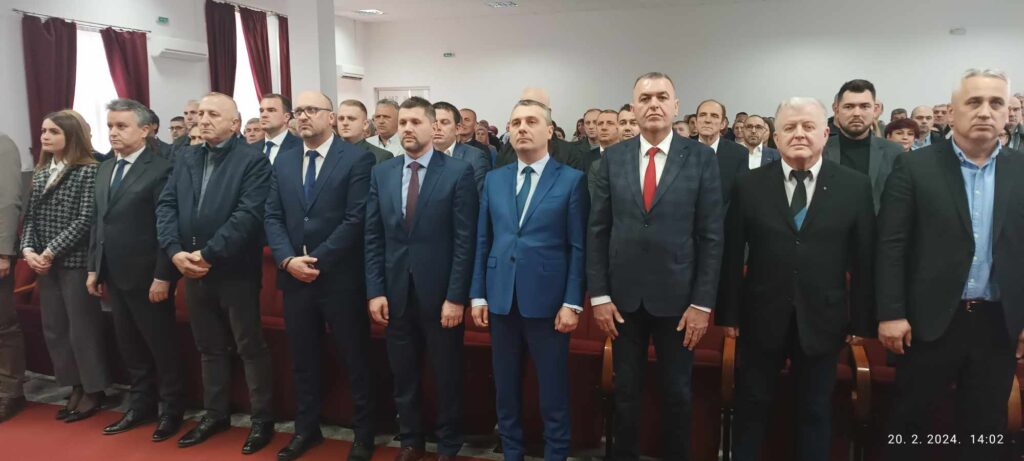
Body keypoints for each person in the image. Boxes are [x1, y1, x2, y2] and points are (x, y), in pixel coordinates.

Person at [717, 97, 876, 461]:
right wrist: (728, 314)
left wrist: (862, 319)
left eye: (808, 126)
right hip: (760, 317)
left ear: (825, 133)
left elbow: (864, 258)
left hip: (824, 319)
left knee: (815, 410)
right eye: (789, 127)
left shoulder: (854, 186)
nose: (799, 134)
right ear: (775, 137)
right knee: (752, 406)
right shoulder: (749, 185)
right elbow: (731, 252)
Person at [878, 68, 1024, 461]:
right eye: (974, 102)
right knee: (911, 429)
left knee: (985, 433)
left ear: (1008, 113)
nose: (985, 111)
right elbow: (891, 244)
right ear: (954, 110)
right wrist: (891, 313)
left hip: (997, 324)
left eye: (996, 103)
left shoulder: (1020, 169)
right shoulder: (915, 167)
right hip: (927, 324)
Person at [588, 72, 724, 460]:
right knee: (625, 391)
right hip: (622, 301)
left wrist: (702, 303)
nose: (653, 104)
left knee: (677, 392)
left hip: (680, 302)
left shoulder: (700, 158)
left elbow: (712, 235)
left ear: (676, 107)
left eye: (662, 97)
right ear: (633, 108)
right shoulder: (614, 158)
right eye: (645, 98)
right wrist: (599, 295)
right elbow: (598, 229)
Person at [155, 92, 275, 454]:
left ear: (235, 124)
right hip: (191, 268)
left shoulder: (252, 160)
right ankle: (215, 414)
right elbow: (167, 205)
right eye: (201, 113)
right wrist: (175, 252)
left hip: (234, 270)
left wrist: (208, 254)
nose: (203, 119)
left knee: (249, 346)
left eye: (213, 114)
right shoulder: (186, 156)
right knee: (209, 347)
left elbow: (248, 215)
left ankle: (262, 420)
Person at [470, 99, 588, 461]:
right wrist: (478, 294)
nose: (522, 128)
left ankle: (556, 454)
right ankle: (511, 453)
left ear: (549, 131)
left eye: (531, 121)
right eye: (516, 122)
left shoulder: (571, 180)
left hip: (549, 303)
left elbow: (578, 246)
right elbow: (483, 239)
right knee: (505, 390)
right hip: (501, 298)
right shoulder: (495, 179)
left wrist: (572, 302)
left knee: (552, 390)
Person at [265, 91, 377, 461]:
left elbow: (356, 218)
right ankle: (306, 429)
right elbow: (272, 215)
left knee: (355, 358)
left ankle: (363, 434)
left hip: (339, 277)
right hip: (295, 277)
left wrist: (316, 259)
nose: (304, 116)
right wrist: (287, 260)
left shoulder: (356, 158)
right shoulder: (285, 160)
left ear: (331, 117)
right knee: (303, 359)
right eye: (299, 111)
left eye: (312, 110)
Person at [364, 96, 478, 461]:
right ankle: (411, 440)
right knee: (404, 375)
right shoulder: (383, 173)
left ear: (434, 126)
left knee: (446, 375)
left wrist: (456, 297)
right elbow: (373, 236)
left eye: (415, 122)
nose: (408, 128)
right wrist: (375, 290)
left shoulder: (458, 172)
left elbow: (465, 240)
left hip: (441, 296)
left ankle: (448, 443)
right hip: (395, 293)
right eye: (403, 123)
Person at [87, 99, 184, 441]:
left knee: (161, 345)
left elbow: (167, 228)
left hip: (148, 276)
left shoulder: (161, 169)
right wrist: (94, 269)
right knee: (130, 345)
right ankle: (140, 405)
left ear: (144, 130)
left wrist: (163, 275)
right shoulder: (104, 169)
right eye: (110, 126)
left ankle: (171, 409)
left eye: (121, 126)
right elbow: (99, 223)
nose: (113, 132)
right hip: (114, 274)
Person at [21, 110, 111, 423]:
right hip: (45, 264)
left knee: (82, 329)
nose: (45, 137)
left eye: (53, 132)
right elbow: (30, 217)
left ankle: (94, 388)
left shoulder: (89, 170)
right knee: (56, 328)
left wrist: (49, 251)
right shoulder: (41, 171)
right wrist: (28, 250)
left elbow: (85, 219)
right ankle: (74, 384)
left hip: (73, 261)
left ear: (70, 136)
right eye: (44, 131)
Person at [824, 79, 902, 211]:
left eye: (864, 106)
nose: (856, 113)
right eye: (848, 107)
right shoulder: (820, 150)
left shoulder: (894, 152)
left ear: (875, 110)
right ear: (836, 111)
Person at [0, 133, 25, 423]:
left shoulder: (2, 145)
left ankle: (10, 391)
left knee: (2, 325)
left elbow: (7, 202)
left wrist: (3, 252)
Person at [695, 99, 748, 206]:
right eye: (702, 115)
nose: (707, 120)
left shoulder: (738, 154)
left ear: (723, 124)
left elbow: (740, 196)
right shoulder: (681, 151)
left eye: (714, 116)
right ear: (696, 122)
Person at [431, 101, 489, 192]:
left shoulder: (474, 157)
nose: (437, 127)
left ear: (457, 129)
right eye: (433, 122)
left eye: (444, 122)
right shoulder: (417, 156)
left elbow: (479, 196)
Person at [336, 99, 394, 164]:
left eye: (351, 118)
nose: (344, 123)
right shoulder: (329, 153)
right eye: (341, 119)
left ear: (365, 124)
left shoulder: (381, 156)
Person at [254, 94, 301, 166]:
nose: (264, 115)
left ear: (286, 117)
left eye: (271, 110)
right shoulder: (251, 149)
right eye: (261, 111)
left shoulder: (301, 147)